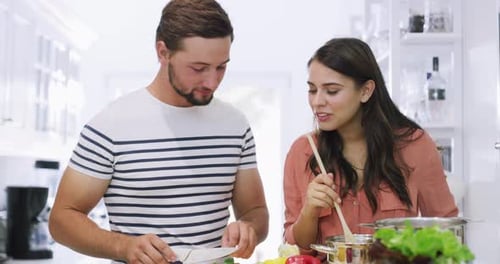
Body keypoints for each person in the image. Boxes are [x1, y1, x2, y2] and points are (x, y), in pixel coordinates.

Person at [48, 1, 269, 263]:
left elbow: (255, 212)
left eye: (221, 66)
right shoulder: (110, 126)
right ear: (163, 52)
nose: (212, 81)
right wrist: (122, 246)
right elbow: (62, 219)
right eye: (198, 68)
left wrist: (248, 230)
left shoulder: (235, 125)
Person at [282, 38, 458, 254]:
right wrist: (309, 210)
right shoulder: (303, 151)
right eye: (312, 90)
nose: (317, 102)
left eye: (332, 91)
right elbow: (296, 246)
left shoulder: (415, 146)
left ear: (365, 91)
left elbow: (446, 230)